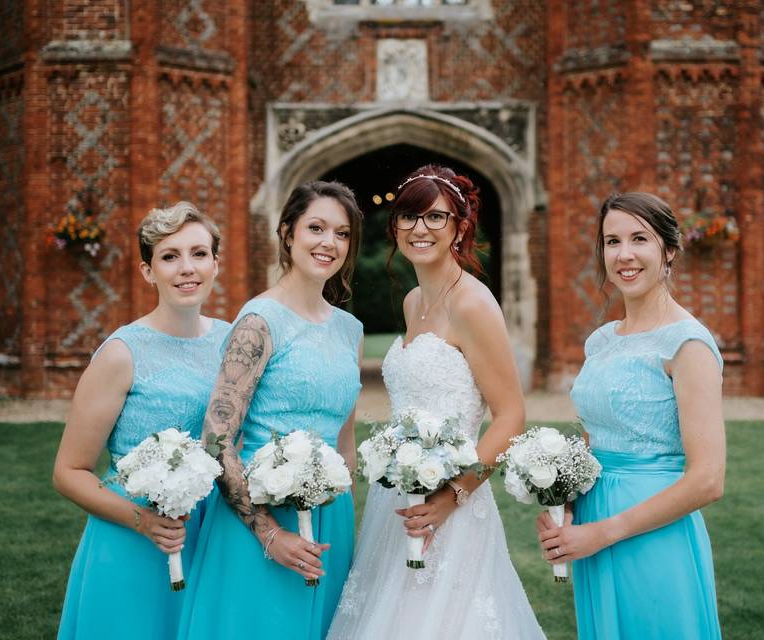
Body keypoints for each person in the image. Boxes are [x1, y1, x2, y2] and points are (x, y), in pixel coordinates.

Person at [328, 165, 545, 639]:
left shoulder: (472, 303)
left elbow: (511, 415)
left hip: (454, 500)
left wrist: (453, 496)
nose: (419, 228)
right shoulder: (411, 302)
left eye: (434, 217)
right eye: (407, 217)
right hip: (398, 497)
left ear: (459, 228)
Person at [178, 181, 363, 640]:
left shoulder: (349, 329)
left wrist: (338, 502)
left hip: (330, 519)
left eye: (341, 234)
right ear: (287, 234)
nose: (329, 243)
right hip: (258, 516)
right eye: (315, 228)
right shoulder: (259, 322)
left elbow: (346, 439)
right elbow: (216, 442)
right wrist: (269, 534)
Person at [538, 192, 725, 639]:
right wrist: (560, 496)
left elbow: (708, 479)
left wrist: (605, 531)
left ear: (669, 251)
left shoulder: (688, 345)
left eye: (639, 239)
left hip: (650, 528)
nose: (623, 255)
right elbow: (593, 437)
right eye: (611, 241)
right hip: (592, 519)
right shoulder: (601, 341)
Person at [54, 203, 229, 639]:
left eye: (199, 254)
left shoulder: (234, 340)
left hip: (212, 535)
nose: (187, 268)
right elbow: (68, 472)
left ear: (215, 263)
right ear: (148, 271)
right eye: (170, 256)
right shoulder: (121, 353)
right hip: (132, 536)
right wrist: (143, 521)